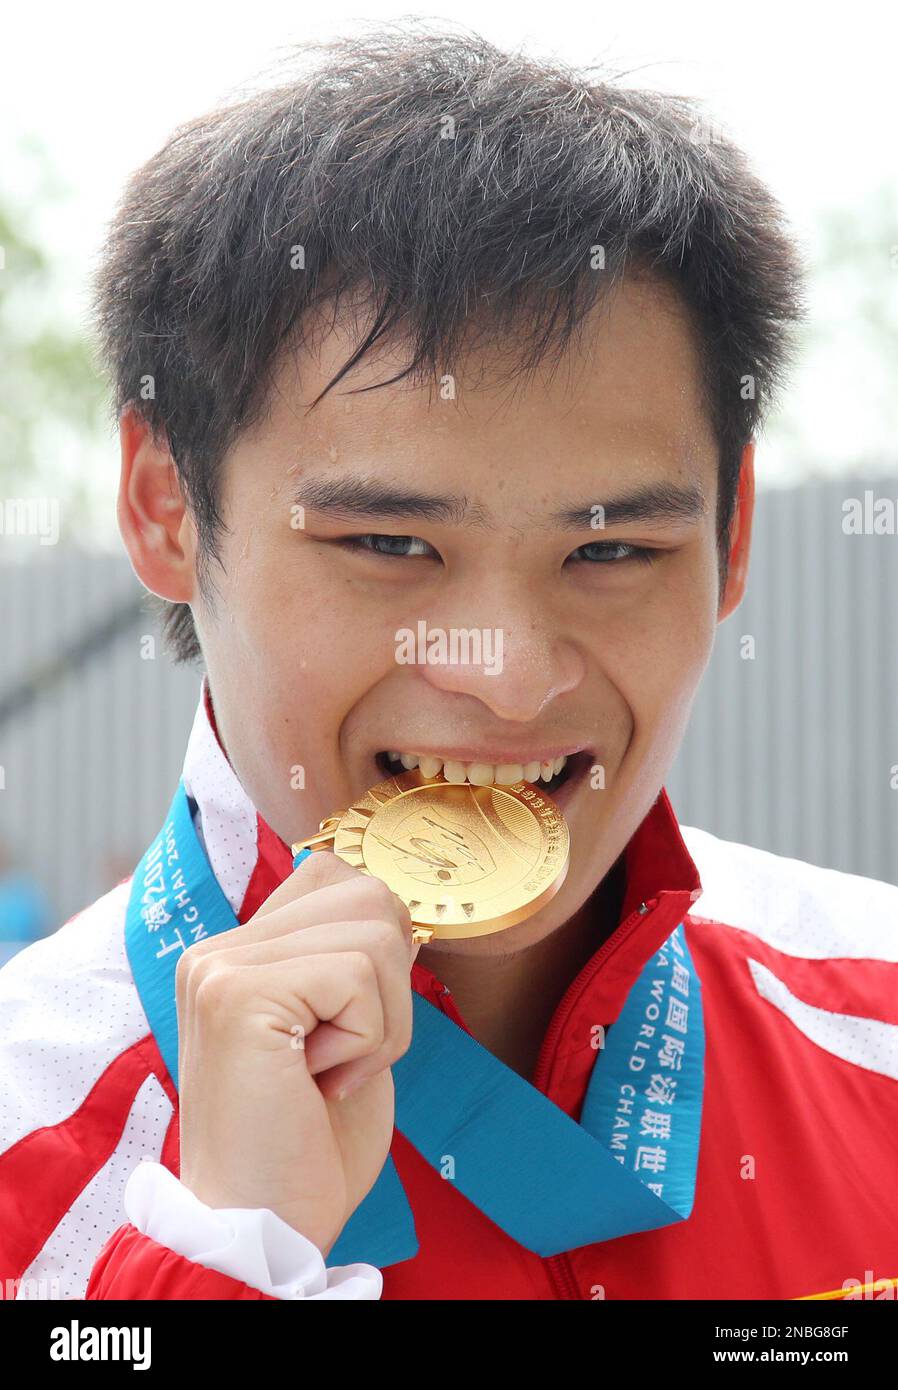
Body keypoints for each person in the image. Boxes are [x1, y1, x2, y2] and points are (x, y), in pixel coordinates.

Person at [2, 26, 896, 1303]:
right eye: (389, 543)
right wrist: (227, 1261)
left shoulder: (875, 1013)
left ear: (734, 533)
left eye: (614, 551)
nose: (507, 675)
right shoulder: (28, 1145)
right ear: (165, 508)